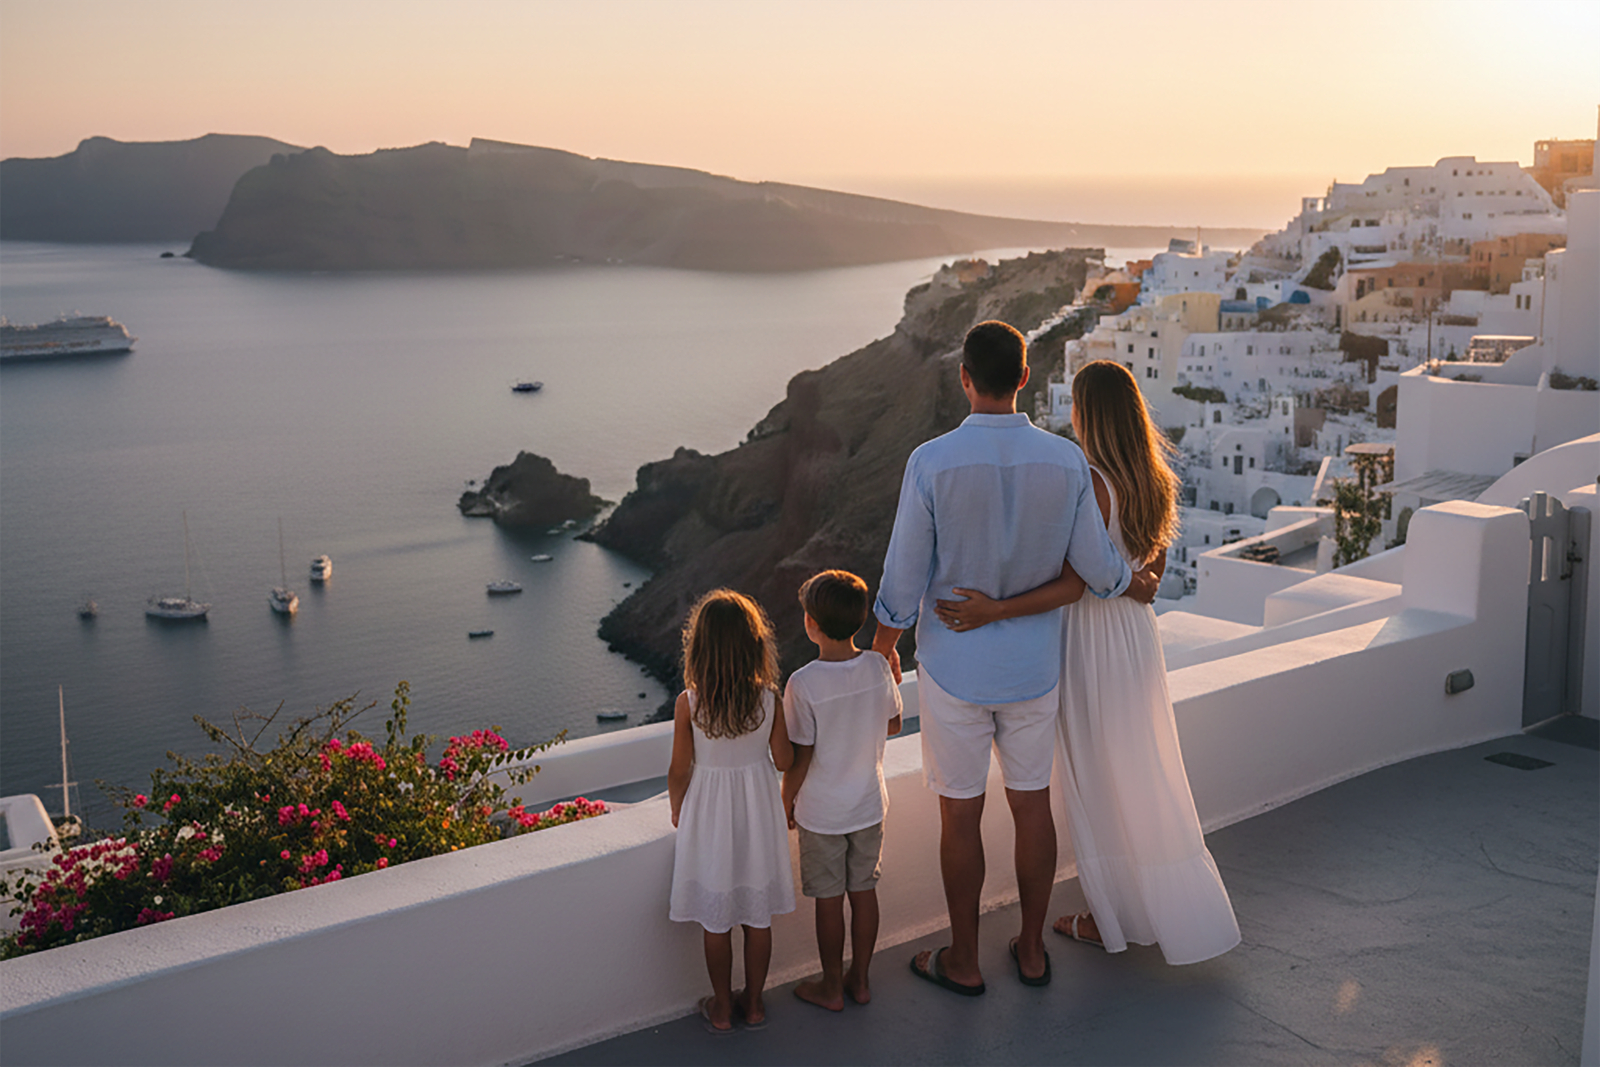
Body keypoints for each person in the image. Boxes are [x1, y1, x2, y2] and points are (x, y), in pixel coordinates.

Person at [872, 321, 1160, 995]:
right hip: (1033, 669)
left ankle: (964, 960)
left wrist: (882, 650)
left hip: (953, 669)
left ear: (964, 379)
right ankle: (1031, 950)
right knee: (1033, 808)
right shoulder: (1065, 462)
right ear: (1025, 378)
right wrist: (1136, 582)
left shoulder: (931, 461)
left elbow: (903, 574)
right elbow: (1097, 568)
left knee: (960, 816)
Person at [935, 358, 1240, 966]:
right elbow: (1147, 573)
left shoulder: (1092, 481)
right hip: (1133, 636)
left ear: (1088, 414)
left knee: (1095, 776)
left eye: (1075, 404)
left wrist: (997, 609)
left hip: (1090, 637)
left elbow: (1075, 582)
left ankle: (1114, 917)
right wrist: (1136, 584)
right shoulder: (1155, 479)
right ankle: (1144, 909)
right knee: (1135, 766)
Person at [668, 588, 796, 1033]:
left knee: (716, 921)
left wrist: (677, 809)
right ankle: (755, 1004)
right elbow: (784, 760)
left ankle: (721, 1007)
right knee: (757, 919)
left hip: (710, 818)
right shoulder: (769, 700)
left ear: (699, 647)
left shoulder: (689, 704)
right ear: (754, 644)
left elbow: (679, 770)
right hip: (757, 816)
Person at [781, 570, 904, 1012]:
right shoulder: (876, 666)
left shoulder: (803, 683)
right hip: (869, 805)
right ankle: (861, 981)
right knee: (864, 893)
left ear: (811, 623)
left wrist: (785, 801)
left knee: (829, 902)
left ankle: (831, 986)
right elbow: (893, 724)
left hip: (822, 813)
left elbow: (800, 756)